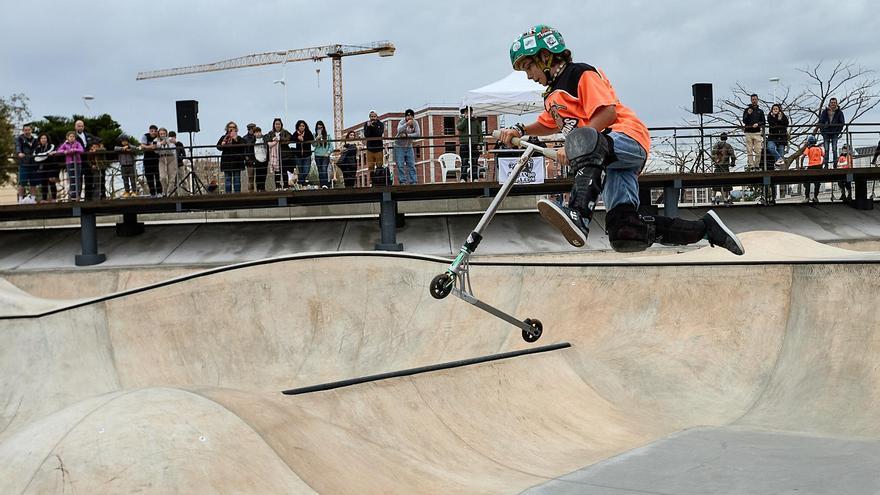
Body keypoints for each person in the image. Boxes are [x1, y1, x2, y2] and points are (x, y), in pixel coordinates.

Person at [498, 25, 744, 255]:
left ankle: (579, 214)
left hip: (626, 137)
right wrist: (520, 129)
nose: (529, 75)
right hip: (609, 159)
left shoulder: (580, 74)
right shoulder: (551, 96)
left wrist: (574, 146)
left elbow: (608, 113)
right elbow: (547, 123)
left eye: (529, 67)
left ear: (546, 57)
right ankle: (706, 228)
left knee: (586, 142)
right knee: (625, 231)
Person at [54, 131, 85, 201]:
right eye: (70, 136)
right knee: (71, 178)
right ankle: (72, 194)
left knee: (78, 178)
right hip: (69, 163)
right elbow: (59, 150)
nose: (72, 138)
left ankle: (78, 195)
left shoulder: (77, 143)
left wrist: (74, 150)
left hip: (77, 162)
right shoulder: (65, 144)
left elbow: (82, 150)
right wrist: (65, 151)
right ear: (67, 137)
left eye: (73, 136)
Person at [216, 121, 245, 193]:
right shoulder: (223, 137)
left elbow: (243, 146)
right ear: (227, 128)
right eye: (230, 127)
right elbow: (218, 147)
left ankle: (237, 194)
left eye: (233, 127)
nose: (231, 129)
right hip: (227, 162)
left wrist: (235, 139)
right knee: (227, 179)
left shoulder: (239, 138)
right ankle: (228, 194)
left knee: (237, 179)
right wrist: (222, 144)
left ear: (236, 129)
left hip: (236, 162)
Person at [394, 109, 421, 185]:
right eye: (408, 115)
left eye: (411, 116)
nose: (409, 117)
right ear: (405, 116)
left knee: (411, 164)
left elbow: (418, 134)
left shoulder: (415, 123)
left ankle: (413, 181)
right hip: (399, 146)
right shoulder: (402, 122)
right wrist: (406, 124)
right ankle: (402, 181)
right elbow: (399, 130)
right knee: (400, 165)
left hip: (409, 146)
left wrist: (407, 135)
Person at [265, 118, 292, 190]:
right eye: (276, 124)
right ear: (274, 125)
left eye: (279, 124)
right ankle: (277, 186)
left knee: (284, 171)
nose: (277, 125)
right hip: (274, 156)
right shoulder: (270, 133)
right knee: (277, 172)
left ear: (281, 125)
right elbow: (266, 139)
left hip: (284, 155)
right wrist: (273, 139)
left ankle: (286, 186)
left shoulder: (285, 132)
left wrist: (280, 139)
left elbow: (290, 138)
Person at [457, 107, 483, 181]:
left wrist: (479, 144)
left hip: (474, 143)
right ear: (464, 113)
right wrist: (465, 119)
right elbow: (459, 127)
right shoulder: (461, 120)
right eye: (466, 112)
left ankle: (475, 177)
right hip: (464, 143)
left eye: (470, 112)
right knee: (464, 161)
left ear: (472, 112)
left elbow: (480, 133)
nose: (468, 113)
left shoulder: (475, 121)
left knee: (474, 161)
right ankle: (463, 178)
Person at [818, 97, 845, 168]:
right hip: (826, 132)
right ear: (829, 103)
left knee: (834, 149)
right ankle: (826, 165)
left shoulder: (839, 112)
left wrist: (838, 131)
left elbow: (842, 123)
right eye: (832, 102)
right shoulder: (825, 112)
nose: (833, 104)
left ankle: (835, 164)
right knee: (826, 149)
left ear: (836, 104)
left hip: (835, 132)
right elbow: (821, 121)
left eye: (834, 102)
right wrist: (822, 131)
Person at [15, 124, 38, 202]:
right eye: (25, 130)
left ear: (31, 131)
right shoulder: (20, 138)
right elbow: (18, 146)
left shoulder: (35, 140)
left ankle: (33, 200)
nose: (27, 132)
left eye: (29, 130)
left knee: (33, 183)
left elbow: (37, 149)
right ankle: (20, 200)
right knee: (22, 183)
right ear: (23, 131)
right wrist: (19, 153)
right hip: (24, 164)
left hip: (33, 164)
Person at [711, 132, 735, 205]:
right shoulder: (728, 146)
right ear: (726, 138)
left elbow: (712, 155)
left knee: (715, 182)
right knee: (726, 182)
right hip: (725, 166)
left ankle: (713, 198)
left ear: (720, 138)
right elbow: (732, 155)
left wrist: (715, 161)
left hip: (717, 166)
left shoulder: (715, 146)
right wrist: (733, 162)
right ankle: (725, 198)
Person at [742, 94, 765, 170]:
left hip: (757, 132)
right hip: (748, 132)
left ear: (757, 100)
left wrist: (758, 124)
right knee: (749, 150)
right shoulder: (746, 110)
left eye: (755, 99)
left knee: (758, 150)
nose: (754, 101)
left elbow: (763, 122)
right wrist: (748, 114)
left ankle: (757, 165)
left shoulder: (760, 111)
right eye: (752, 99)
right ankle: (751, 166)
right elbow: (744, 120)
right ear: (751, 100)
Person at [799, 135, 825, 203]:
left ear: (809, 142)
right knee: (817, 183)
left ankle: (807, 197)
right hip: (819, 166)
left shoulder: (809, 148)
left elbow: (802, 157)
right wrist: (822, 164)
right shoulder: (819, 148)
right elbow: (824, 156)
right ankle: (815, 197)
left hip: (811, 167)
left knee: (807, 181)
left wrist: (801, 166)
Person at [154, 127, 179, 196]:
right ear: (159, 134)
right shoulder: (156, 140)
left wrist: (168, 142)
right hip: (162, 158)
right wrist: (161, 143)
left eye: (164, 133)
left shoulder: (170, 139)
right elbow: (155, 149)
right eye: (161, 134)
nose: (162, 135)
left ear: (166, 134)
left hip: (171, 157)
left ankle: (170, 193)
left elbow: (173, 147)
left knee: (172, 177)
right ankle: (165, 191)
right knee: (162, 177)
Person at [363, 111, 385, 185]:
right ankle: (372, 181)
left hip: (378, 148)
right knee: (370, 166)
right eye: (371, 116)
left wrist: (373, 126)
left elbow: (379, 133)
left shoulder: (380, 124)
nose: (373, 118)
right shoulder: (366, 124)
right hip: (370, 148)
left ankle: (379, 181)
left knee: (379, 165)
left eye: (374, 116)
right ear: (369, 117)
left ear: (377, 117)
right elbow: (366, 135)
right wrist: (369, 127)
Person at [33, 133, 56, 201]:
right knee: (44, 183)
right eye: (42, 138)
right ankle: (44, 199)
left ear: (47, 139)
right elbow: (35, 157)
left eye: (45, 138)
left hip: (51, 166)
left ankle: (54, 198)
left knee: (52, 182)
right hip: (42, 168)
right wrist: (46, 155)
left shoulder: (51, 146)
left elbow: (50, 151)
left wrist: (42, 156)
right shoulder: (37, 148)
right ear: (40, 140)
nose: (43, 139)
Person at [291, 120, 314, 188]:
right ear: (298, 126)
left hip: (307, 155)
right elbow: (292, 138)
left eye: (303, 126)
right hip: (298, 156)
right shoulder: (296, 133)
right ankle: (302, 185)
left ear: (305, 126)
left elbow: (311, 139)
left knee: (306, 171)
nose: (301, 127)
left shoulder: (308, 132)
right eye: (300, 126)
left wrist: (303, 138)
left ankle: (299, 182)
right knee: (301, 171)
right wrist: (297, 138)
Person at [140, 125, 162, 197]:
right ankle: (152, 193)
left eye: (155, 131)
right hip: (147, 160)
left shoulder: (158, 137)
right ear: (149, 131)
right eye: (152, 131)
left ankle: (159, 192)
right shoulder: (145, 136)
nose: (153, 132)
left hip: (157, 159)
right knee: (149, 178)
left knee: (158, 177)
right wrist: (150, 147)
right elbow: (142, 146)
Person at [313, 120, 332, 188]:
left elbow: (331, 146)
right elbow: (313, 145)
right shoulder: (314, 135)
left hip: (325, 155)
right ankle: (322, 185)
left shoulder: (328, 135)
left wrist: (328, 153)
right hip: (317, 155)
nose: (320, 129)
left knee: (324, 169)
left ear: (323, 128)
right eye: (318, 128)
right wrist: (316, 139)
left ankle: (325, 184)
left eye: (321, 127)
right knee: (320, 170)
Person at [251, 126, 269, 191]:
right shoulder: (253, 141)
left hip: (265, 159)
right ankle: (258, 188)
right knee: (258, 175)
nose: (258, 133)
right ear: (254, 134)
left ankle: (263, 188)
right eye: (256, 132)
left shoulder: (264, 139)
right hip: (257, 160)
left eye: (259, 132)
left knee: (264, 174)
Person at [242, 123, 257, 192]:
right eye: (254, 128)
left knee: (258, 176)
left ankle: (258, 190)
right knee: (250, 177)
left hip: (258, 158)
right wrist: (246, 157)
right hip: (249, 159)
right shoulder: (244, 138)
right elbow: (243, 149)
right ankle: (251, 191)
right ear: (250, 129)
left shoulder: (257, 136)